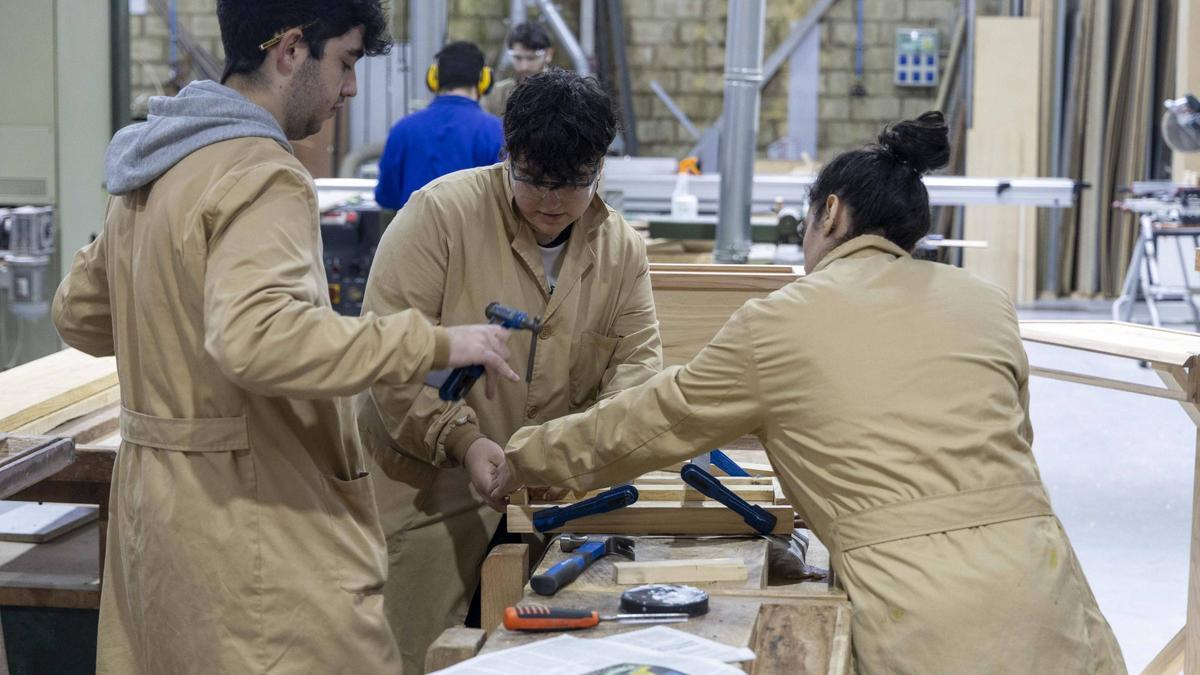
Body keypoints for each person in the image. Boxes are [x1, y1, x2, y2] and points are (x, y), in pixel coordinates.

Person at [486, 112, 1127, 674]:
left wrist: (521, 457)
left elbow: (650, 423)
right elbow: (1005, 441)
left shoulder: (783, 320)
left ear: (830, 213)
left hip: (928, 616)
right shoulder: (986, 302)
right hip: (1048, 589)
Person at [51, 1, 518, 672]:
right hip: (254, 527)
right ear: (292, 49)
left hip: (156, 526)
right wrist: (435, 343)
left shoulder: (160, 163)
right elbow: (257, 339)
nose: (351, 87)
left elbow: (79, 314)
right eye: (347, 62)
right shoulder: (264, 173)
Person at [358, 69, 662, 673]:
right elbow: (390, 360)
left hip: (557, 499)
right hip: (428, 492)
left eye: (570, 184)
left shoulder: (621, 250)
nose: (550, 202)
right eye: (534, 180)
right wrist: (463, 440)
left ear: (600, 168)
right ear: (507, 155)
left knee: (548, 659)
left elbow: (637, 366)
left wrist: (582, 448)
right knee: (412, 655)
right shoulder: (438, 217)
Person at [374, 41, 503, 209]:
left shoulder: (403, 129)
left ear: (433, 78)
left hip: (413, 234)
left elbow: (386, 197)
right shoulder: (496, 131)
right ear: (484, 80)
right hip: (473, 235)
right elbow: (504, 200)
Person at [482, 21, 553, 118]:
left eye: (531, 58)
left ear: (548, 54)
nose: (524, 67)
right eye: (518, 58)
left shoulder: (562, 94)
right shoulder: (497, 94)